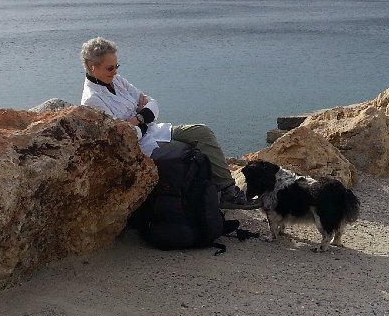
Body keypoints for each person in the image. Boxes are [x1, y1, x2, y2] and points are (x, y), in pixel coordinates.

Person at [80, 36, 259, 209]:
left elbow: (152, 104)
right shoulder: (92, 100)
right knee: (187, 152)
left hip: (154, 130)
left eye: (116, 66)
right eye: (110, 68)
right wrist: (141, 117)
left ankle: (228, 192)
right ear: (92, 66)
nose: (115, 71)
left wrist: (137, 119)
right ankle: (209, 198)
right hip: (141, 146)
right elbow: (125, 136)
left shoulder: (117, 81)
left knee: (201, 132)